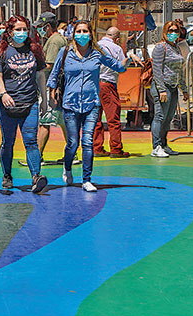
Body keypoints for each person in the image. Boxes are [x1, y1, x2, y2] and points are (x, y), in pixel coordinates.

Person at [47, 20, 136, 192]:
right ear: (74, 34)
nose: (82, 35)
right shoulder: (65, 52)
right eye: (78, 31)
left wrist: (128, 59)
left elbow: (117, 66)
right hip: (70, 104)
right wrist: (51, 94)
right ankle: (67, 168)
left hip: (92, 104)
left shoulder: (97, 53)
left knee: (88, 142)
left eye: (85, 31)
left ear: (90, 34)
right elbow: (55, 73)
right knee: (73, 142)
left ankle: (87, 179)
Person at [0, 15, 48, 192]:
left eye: (24, 29)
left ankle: (36, 176)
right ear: (10, 31)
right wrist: (3, 93)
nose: (21, 33)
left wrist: (44, 99)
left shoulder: (34, 50)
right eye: (18, 29)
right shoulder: (2, 51)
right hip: (8, 104)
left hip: (29, 102)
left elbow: (40, 75)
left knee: (31, 141)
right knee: (8, 141)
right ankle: (7, 175)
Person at [150, 21, 188, 158]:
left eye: (176, 31)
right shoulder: (161, 47)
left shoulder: (176, 47)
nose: (173, 33)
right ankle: (156, 146)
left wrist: (184, 89)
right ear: (165, 32)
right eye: (170, 30)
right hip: (163, 86)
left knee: (168, 118)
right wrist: (161, 90)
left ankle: (164, 144)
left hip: (173, 86)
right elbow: (157, 70)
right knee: (160, 116)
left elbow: (180, 71)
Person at [93, 27, 132, 158]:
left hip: (94, 84)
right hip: (108, 84)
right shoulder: (117, 48)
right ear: (116, 38)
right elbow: (121, 67)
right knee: (113, 117)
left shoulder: (96, 45)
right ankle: (116, 148)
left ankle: (96, 147)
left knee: (96, 118)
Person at [35, 12, 68, 162]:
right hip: (57, 87)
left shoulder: (54, 41)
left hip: (50, 87)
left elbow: (51, 65)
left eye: (41, 27)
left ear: (47, 26)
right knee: (62, 122)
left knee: (45, 122)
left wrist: (33, 68)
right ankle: (72, 153)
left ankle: (36, 156)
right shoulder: (56, 39)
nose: (39, 30)